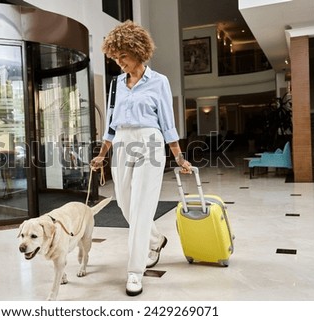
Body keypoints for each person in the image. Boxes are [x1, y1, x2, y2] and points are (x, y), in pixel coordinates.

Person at [90, 20, 192, 296]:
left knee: (142, 205)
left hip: (150, 141)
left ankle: (135, 271)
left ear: (138, 50)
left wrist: (180, 158)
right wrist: (101, 155)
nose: (119, 62)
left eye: (122, 56)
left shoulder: (159, 82)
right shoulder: (115, 85)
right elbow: (111, 124)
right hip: (122, 142)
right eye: (115, 57)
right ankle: (156, 239)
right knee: (124, 202)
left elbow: (168, 125)